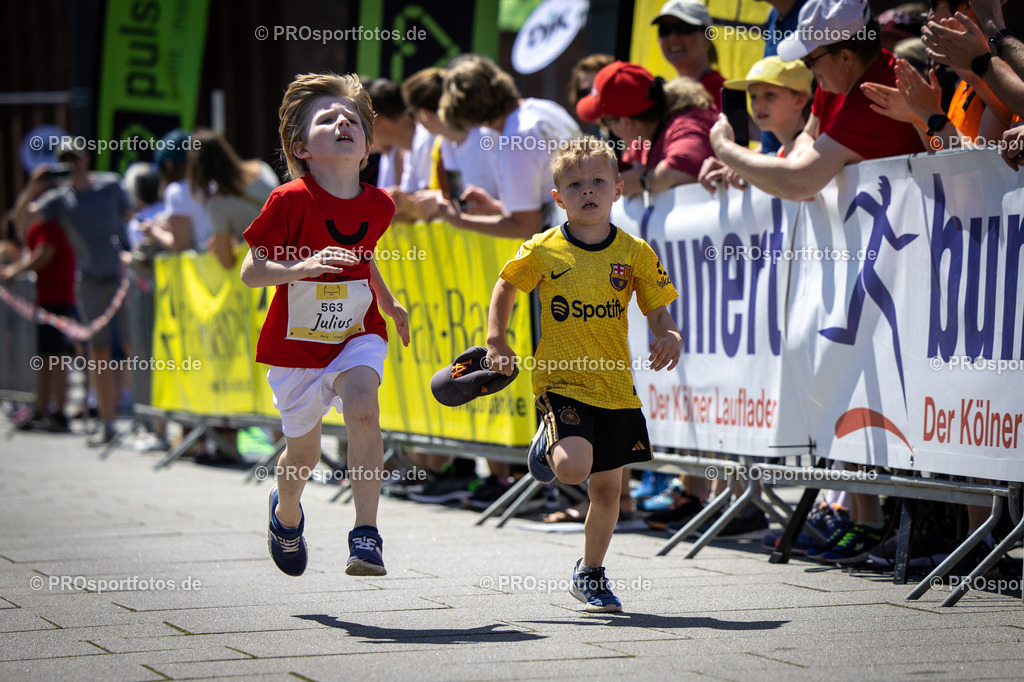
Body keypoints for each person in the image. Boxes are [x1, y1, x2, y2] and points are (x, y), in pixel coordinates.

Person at [710, 0, 925, 563]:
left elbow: (804, 177)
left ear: (847, 54)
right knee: (845, 373)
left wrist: (729, 150)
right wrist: (776, 165)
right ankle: (863, 518)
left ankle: (907, 522)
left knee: (881, 382)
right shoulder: (840, 80)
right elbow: (806, 141)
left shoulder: (877, 88)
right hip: (859, 258)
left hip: (904, 263)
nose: (809, 70)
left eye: (815, 58)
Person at [486, 136, 682, 611]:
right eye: (575, 184)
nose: (588, 191)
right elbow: (507, 285)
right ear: (558, 197)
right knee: (573, 466)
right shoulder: (544, 249)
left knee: (609, 490)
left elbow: (657, 310)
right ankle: (548, 440)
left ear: (618, 189)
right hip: (562, 383)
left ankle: (589, 573)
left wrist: (669, 334)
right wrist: (497, 338)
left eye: (598, 181)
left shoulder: (635, 252)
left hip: (615, 386)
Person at [240, 72, 411, 578]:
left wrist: (389, 300)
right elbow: (252, 270)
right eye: (327, 118)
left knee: (363, 406)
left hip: (356, 332)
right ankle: (285, 512)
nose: (343, 122)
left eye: (353, 119)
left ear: (365, 148)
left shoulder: (379, 204)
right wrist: (300, 268)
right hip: (296, 347)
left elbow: (364, 257)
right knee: (304, 456)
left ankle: (366, 534)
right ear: (301, 147)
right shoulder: (289, 200)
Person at [17, 140, 134, 446]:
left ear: (87, 157)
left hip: (123, 278)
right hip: (91, 284)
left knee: (131, 348)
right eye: (66, 160)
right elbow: (21, 219)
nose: (73, 164)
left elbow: (132, 217)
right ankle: (108, 423)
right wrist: (34, 185)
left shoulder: (111, 185)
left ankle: (140, 420)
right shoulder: (59, 199)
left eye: (76, 157)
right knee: (98, 353)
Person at [437, 55, 581, 239]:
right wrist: (498, 207)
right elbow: (546, 200)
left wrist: (460, 221)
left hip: (570, 247)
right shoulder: (545, 108)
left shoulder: (515, 139)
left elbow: (525, 226)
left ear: (465, 111)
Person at [863, 0, 1011, 151]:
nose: (929, 18)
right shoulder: (965, 82)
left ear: (967, 9)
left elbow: (984, 165)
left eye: (934, 6)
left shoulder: (1002, 77)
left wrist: (934, 117)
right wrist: (920, 118)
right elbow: (947, 163)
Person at [2, 168, 77, 433]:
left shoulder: (55, 216)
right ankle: (42, 407)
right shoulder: (39, 213)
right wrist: (31, 187)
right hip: (43, 296)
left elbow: (44, 254)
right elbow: (17, 220)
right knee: (45, 356)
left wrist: (14, 270)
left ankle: (58, 409)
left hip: (58, 294)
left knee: (55, 356)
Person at [577, 61, 717, 199]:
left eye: (606, 120)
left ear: (626, 123)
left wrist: (643, 181)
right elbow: (627, 171)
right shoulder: (641, 137)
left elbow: (685, 166)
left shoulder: (687, 123)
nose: (606, 127)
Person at [699, 56, 813, 191]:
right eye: (753, 96)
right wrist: (737, 167)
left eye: (769, 95)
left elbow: (793, 176)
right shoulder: (783, 151)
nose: (757, 105)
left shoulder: (812, 146)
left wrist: (724, 146)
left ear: (800, 101)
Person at [187, 129, 279, 269]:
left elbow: (227, 262)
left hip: (263, 268)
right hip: (291, 250)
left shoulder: (217, 204)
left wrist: (223, 242)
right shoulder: (262, 168)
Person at [146, 128, 213, 252]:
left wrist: (154, 231)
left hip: (205, 268)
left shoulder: (176, 192)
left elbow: (181, 245)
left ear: (169, 165)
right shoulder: (213, 184)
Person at [650, 0, 725, 107]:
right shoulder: (665, 93)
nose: (673, 37)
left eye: (684, 28)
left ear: (708, 36)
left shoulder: (721, 93)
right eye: (665, 30)